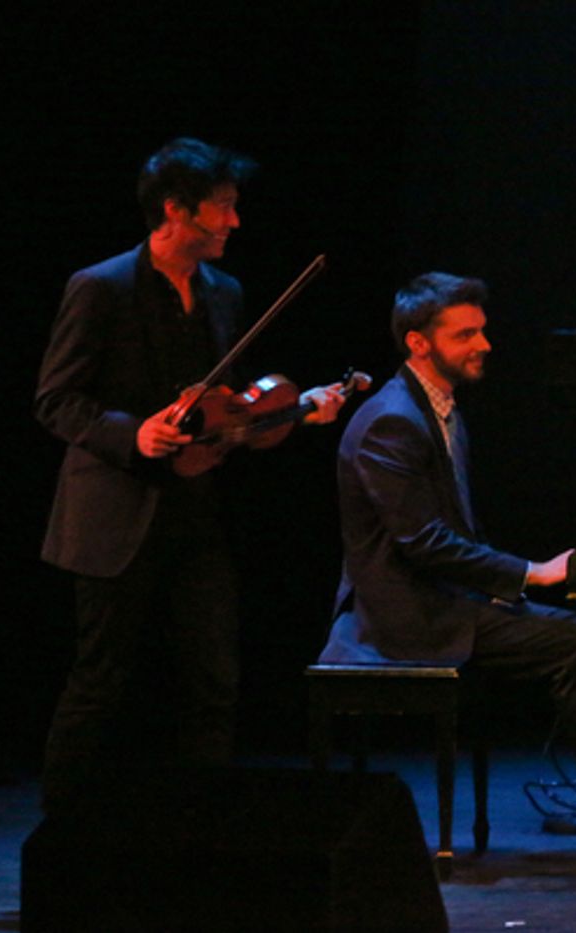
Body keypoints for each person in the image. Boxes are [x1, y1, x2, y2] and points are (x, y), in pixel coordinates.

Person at [318, 272, 576, 860]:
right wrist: (528, 574)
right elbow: (421, 543)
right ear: (418, 343)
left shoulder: (439, 410)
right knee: (569, 643)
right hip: (402, 616)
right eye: (466, 334)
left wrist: (505, 588)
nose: (485, 344)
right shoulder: (391, 421)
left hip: (445, 596)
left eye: (483, 330)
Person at [35, 138, 349, 810]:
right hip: (114, 515)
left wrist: (294, 414)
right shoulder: (101, 287)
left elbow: (225, 410)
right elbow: (56, 399)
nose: (235, 223)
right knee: (99, 681)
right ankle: (57, 837)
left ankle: (200, 829)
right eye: (223, 209)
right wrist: (133, 432)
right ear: (175, 211)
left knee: (214, 680)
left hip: (195, 515)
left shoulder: (224, 293)